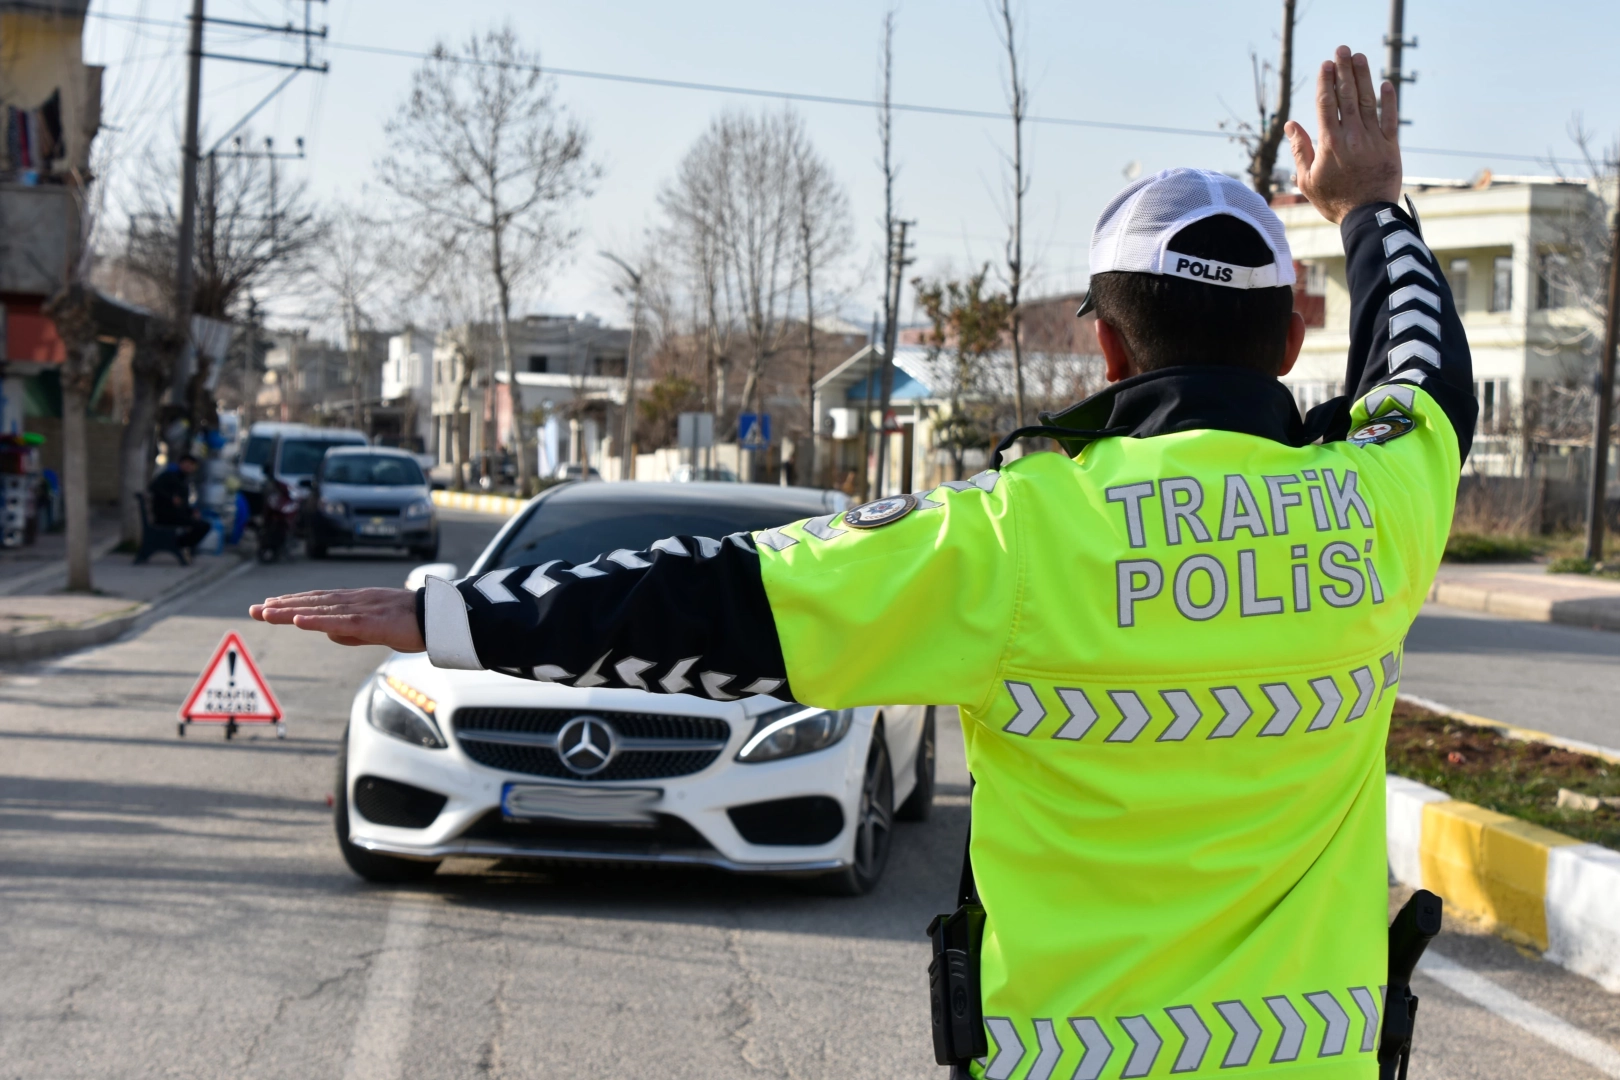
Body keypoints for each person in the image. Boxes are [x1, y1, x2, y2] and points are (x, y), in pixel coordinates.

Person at [254, 47, 1473, 1079]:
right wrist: (1369, 207)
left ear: (1106, 345)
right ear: (1294, 332)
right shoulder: (1375, 505)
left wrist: (459, 614)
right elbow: (1425, 372)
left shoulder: (1014, 534)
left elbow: (726, 599)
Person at [148, 454, 210, 555]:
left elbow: (183, 503)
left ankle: (178, 544)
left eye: (192, 465)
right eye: (187, 464)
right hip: (167, 515)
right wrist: (170, 498)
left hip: (177, 514)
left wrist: (192, 511)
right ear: (180, 464)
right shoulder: (169, 475)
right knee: (202, 526)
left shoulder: (184, 479)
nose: (189, 467)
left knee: (203, 525)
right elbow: (154, 487)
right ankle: (177, 544)